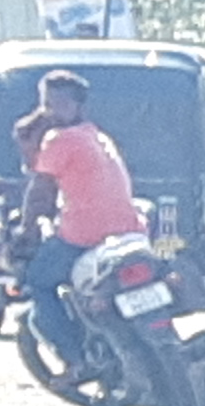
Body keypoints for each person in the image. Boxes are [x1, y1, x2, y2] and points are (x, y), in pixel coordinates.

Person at [15, 69, 145, 324]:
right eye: (46, 103)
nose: (51, 111)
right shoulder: (96, 135)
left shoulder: (62, 140)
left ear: (79, 106)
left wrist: (26, 230)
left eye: (60, 103)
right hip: (128, 230)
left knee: (38, 281)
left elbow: (40, 191)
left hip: (84, 237)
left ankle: (73, 357)